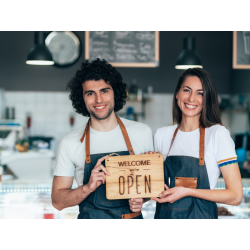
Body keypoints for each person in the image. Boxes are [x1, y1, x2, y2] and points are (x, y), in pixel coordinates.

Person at [51, 58, 153, 219]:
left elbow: (152, 186)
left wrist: (141, 198)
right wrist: (88, 187)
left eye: (104, 91)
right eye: (90, 93)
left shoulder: (142, 133)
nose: (98, 100)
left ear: (115, 92)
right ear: (82, 98)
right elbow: (57, 201)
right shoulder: (70, 142)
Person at [152, 68, 243, 219]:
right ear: (177, 94)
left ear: (207, 99)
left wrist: (188, 191)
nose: (191, 98)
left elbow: (235, 196)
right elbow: (155, 188)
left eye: (200, 93)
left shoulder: (217, 134)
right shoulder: (162, 135)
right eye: (186, 90)